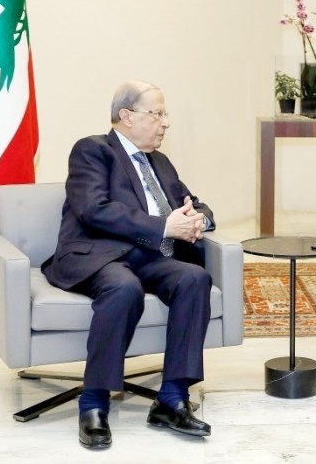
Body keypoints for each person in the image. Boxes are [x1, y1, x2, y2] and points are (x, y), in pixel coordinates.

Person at [42, 80, 215, 449]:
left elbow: (194, 202)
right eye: (157, 114)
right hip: (99, 254)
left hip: (150, 256)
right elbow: (93, 209)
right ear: (127, 116)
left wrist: (199, 219)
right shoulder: (93, 150)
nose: (166, 123)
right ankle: (93, 403)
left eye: (166, 114)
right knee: (123, 288)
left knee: (194, 278)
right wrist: (164, 227)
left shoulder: (160, 162)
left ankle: (171, 399)